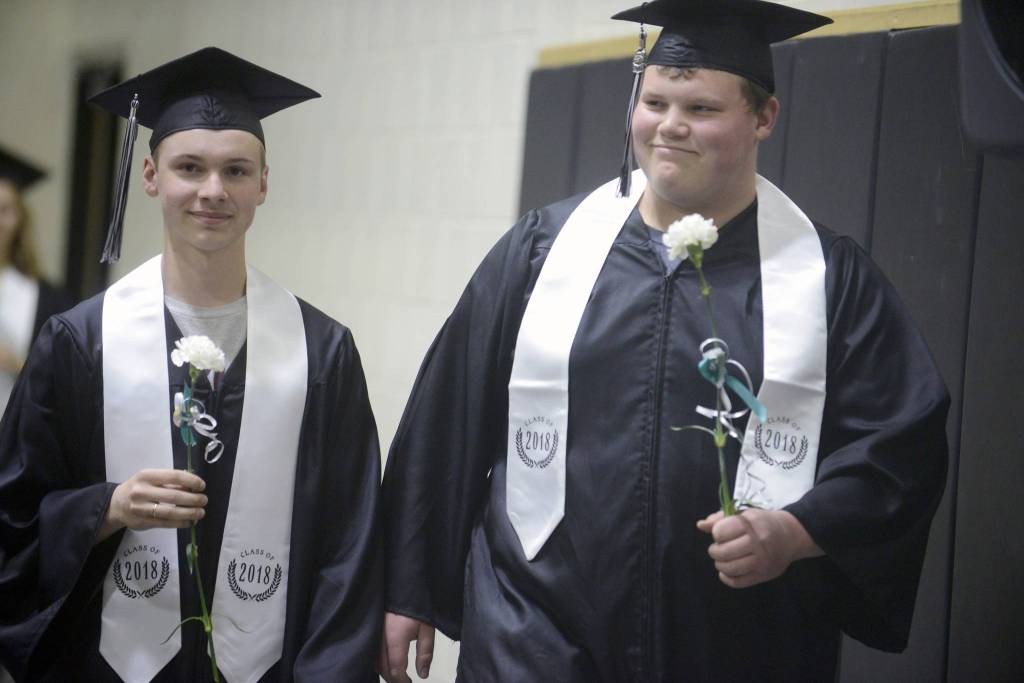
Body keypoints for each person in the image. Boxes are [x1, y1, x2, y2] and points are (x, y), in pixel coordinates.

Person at [379, 1, 949, 681]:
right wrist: (405, 588)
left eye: (701, 108)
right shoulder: (542, 251)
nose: (671, 126)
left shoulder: (827, 278)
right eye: (654, 101)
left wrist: (797, 531)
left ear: (764, 117)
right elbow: (448, 419)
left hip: (734, 638)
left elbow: (901, 445)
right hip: (535, 625)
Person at [0, 47, 382, 682]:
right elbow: (14, 517)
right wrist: (106, 508)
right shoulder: (79, 342)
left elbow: (352, 541)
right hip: (105, 665)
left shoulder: (321, 352)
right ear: (151, 176)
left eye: (236, 170)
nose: (213, 190)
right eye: (189, 168)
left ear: (263, 182)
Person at [0, 147, 73, 417]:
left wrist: (15, 364)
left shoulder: (47, 299)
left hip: (13, 438)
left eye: (5, 210)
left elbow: (61, 382)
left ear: (20, 218)